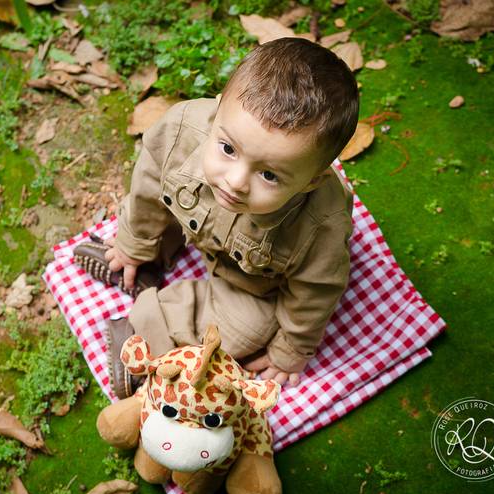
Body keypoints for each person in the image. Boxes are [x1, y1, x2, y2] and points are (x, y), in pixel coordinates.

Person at [75, 37, 360, 399]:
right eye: (228, 149)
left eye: (269, 176)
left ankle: (144, 332)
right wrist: (134, 240)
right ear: (217, 109)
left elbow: (315, 291)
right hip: (193, 223)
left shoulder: (322, 224)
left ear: (312, 180)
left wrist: (292, 349)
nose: (236, 181)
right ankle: (144, 261)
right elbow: (148, 186)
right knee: (164, 204)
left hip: (252, 280)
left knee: (250, 327)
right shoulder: (183, 129)